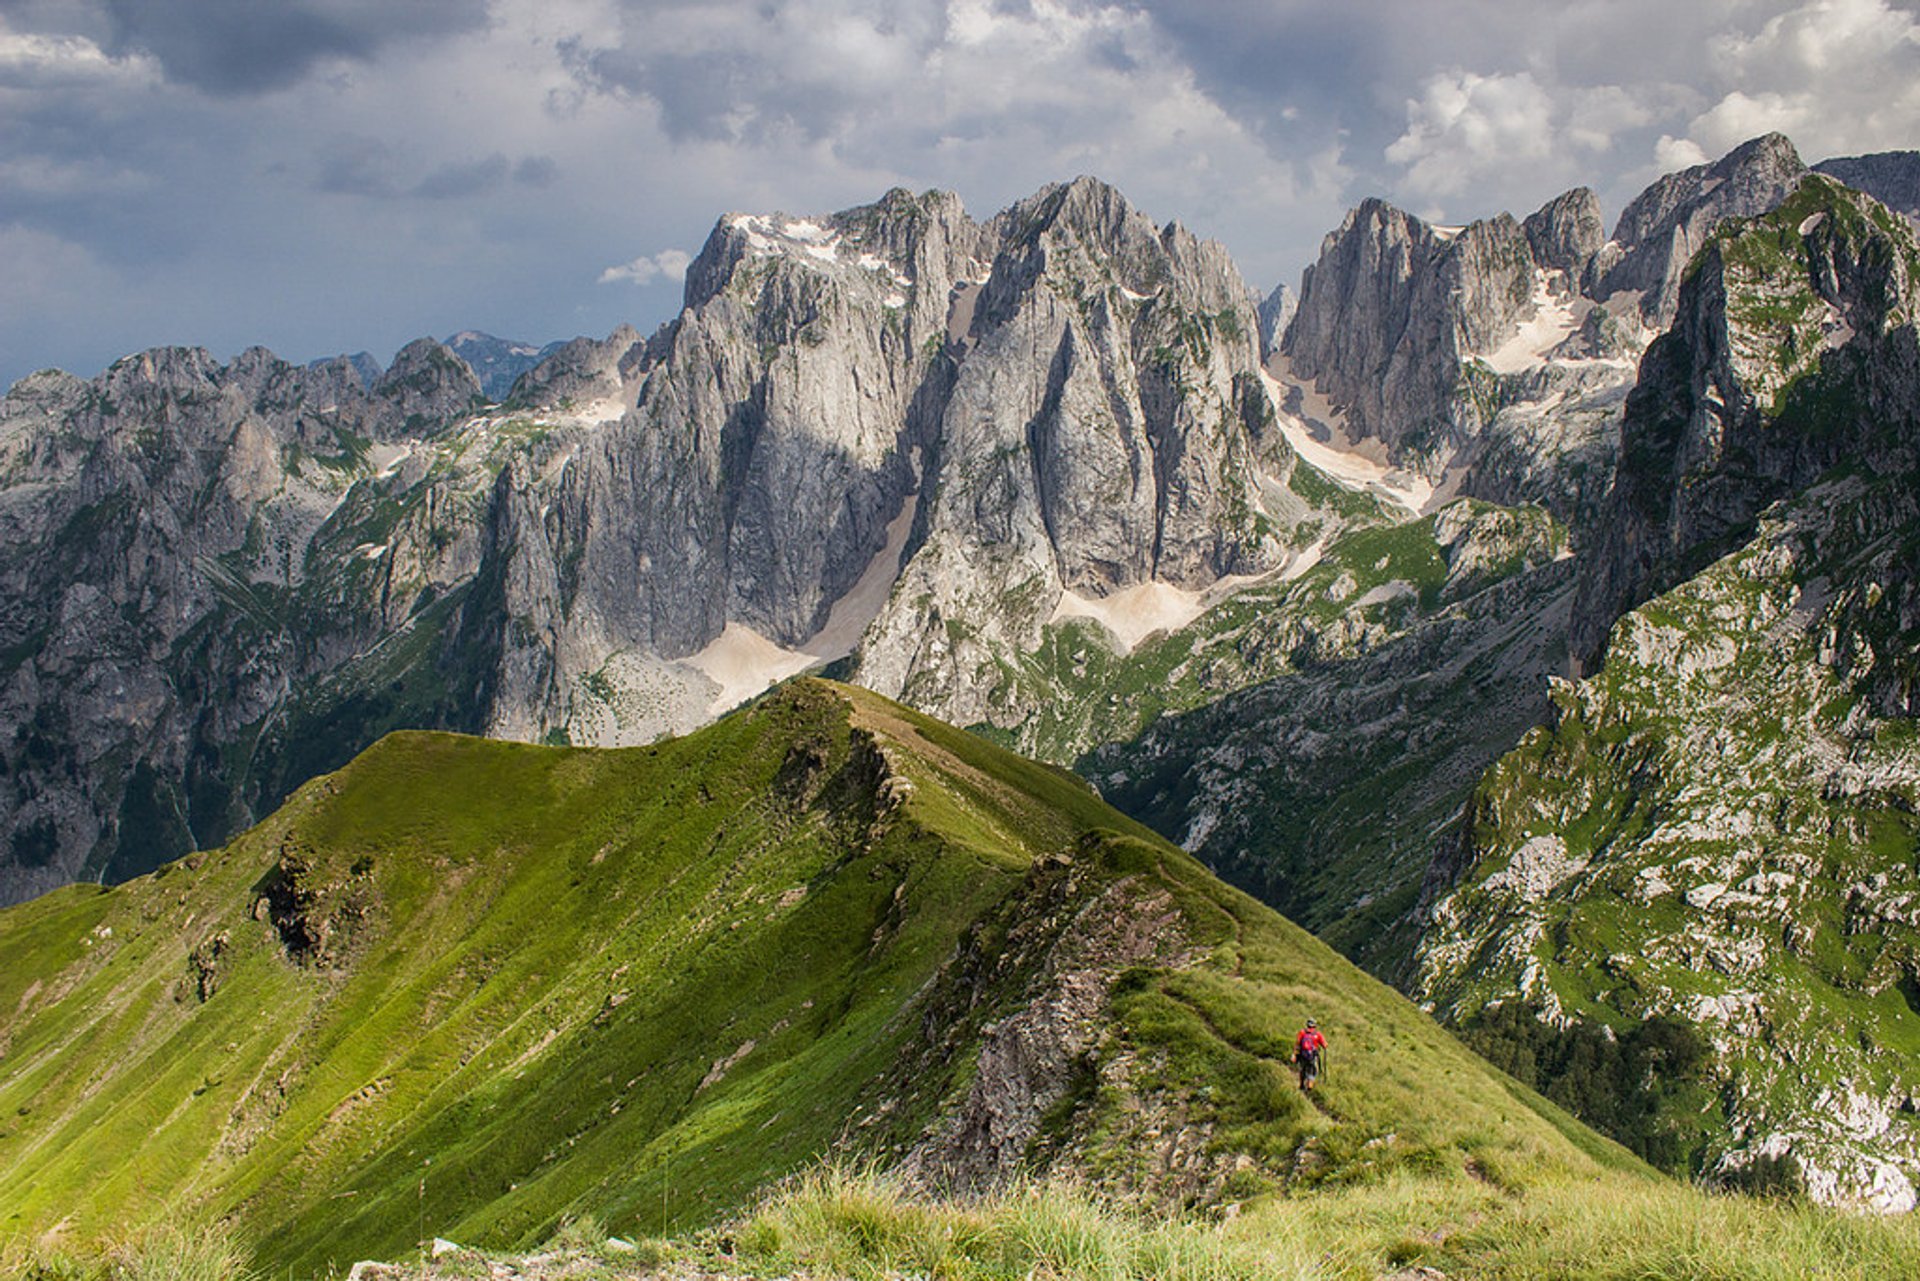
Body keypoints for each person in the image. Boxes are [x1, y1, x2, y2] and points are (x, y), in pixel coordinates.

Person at [1294, 1017, 1327, 1090]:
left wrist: (1294, 1054)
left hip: (1302, 1055)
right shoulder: (1317, 1034)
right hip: (1312, 1056)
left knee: (1302, 1069)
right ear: (1315, 1026)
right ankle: (1309, 1087)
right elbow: (1325, 1045)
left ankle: (1302, 1084)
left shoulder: (1302, 1032)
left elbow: (1297, 1043)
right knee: (1312, 1071)